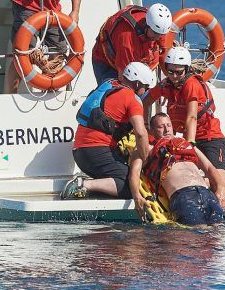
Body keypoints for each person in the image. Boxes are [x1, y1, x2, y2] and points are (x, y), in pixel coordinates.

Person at [61, 61, 155, 200]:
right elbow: (140, 133)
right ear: (137, 84)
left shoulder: (109, 85)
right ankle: (84, 185)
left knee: (125, 175)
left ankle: (89, 188)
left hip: (80, 154)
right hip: (96, 152)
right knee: (133, 186)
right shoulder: (132, 99)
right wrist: (146, 158)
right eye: (145, 88)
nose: (145, 92)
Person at [128, 113, 225, 226]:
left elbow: (209, 167)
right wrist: (136, 196)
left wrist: (220, 189)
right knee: (197, 235)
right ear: (151, 131)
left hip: (206, 193)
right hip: (183, 195)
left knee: (218, 233)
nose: (167, 130)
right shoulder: (147, 149)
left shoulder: (187, 145)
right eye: (161, 127)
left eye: (169, 125)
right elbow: (134, 174)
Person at [147, 46, 225, 171]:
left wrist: (190, 144)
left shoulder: (191, 85)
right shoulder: (166, 84)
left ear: (186, 69)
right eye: (170, 71)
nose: (174, 76)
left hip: (209, 137)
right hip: (188, 137)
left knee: (219, 183)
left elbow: (192, 116)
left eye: (179, 72)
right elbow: (144, 102)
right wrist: (144, 127)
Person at [90, 2, 174, 82]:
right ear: (147, 25)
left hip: (135, 57)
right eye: (156, 33)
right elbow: (124, 77)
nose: (158, 37)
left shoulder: (158, 24)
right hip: (106, 63)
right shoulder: (127, 39)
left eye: (161, 34)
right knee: (116, 93)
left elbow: (161, 41)